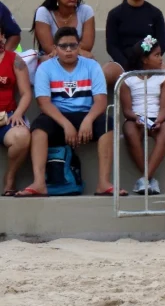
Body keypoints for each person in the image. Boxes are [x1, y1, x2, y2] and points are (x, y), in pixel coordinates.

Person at [15, 27, 126, 197]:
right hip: (58, 116)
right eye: (63, 46)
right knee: (38, 127)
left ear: (79, 47)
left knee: (107, 124)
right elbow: (44, 103)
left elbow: (101, 101)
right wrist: (66, 124)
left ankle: (103, 183)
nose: (68, 50)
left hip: (86, 114)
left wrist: (88, 120)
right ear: (55, 48)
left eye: (73, 46)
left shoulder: (92, 66)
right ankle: (39, 183)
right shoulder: (45, 68)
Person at [119, 36, 165, 196]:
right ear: (144, 59)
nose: (161, 59)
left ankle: (145, 178)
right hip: (136, 118)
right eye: (157, 55)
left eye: (160, 54)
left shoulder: (163, 77)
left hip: (158, 118)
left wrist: (159, 120)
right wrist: (136, 118)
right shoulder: (128, 79)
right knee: (130, 131)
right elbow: (127, 109)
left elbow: (164, 107)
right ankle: (149, 178)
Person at [105, 0, 165, 88]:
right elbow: (111, 46)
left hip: (148, 61)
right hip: (122, 62)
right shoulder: (115, 14)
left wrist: (147, 60)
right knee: (104, 74)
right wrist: (127, 65)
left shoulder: (155, 13)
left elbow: (161, 44)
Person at [32, 0, 96, 64]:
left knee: (91, 59)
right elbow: (49, 48)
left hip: (77, 56)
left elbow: (87, 46)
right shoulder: (44, 12)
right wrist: (76, 50)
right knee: (46, 59)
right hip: (51, 56)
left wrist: (68, 51)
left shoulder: (86, 10)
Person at [0, 23, 32, 196]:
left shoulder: (15, 59)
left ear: (3, 37)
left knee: (22, 136)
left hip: (7, 117)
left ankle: (10, 177)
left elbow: (26, 93)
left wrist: (18, 113)